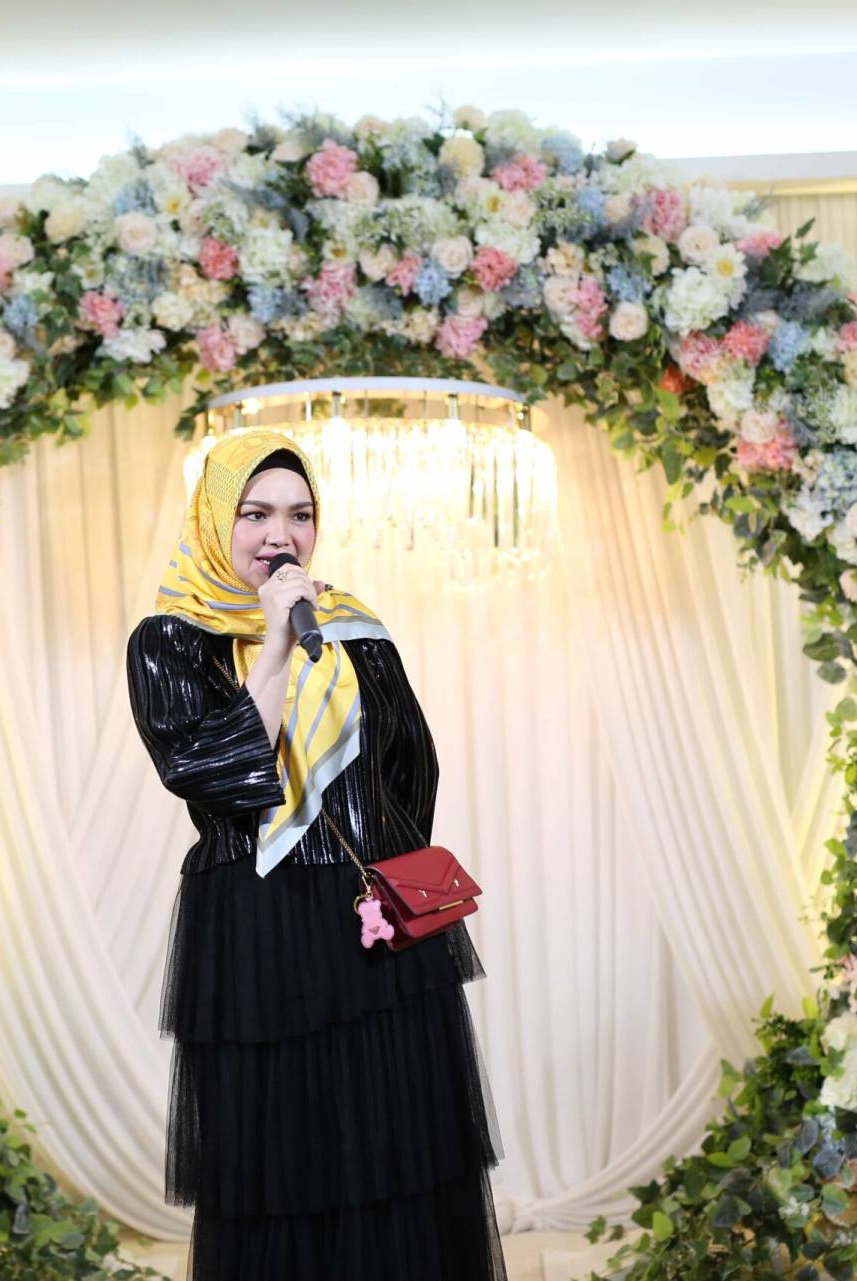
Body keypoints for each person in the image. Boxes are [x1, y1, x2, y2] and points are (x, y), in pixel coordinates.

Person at [126, 430, 505, 1281]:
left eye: (299, 515)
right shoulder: (170, 639)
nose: (280, 535)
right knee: (278, 1160)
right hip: (257, 923)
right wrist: (272, 647)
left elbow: (411, 764)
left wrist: (383, 862)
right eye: (255, 513)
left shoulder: (353, 627)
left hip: (374, 926)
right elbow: (211, 773)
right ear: (213, 520)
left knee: (398, 1147)